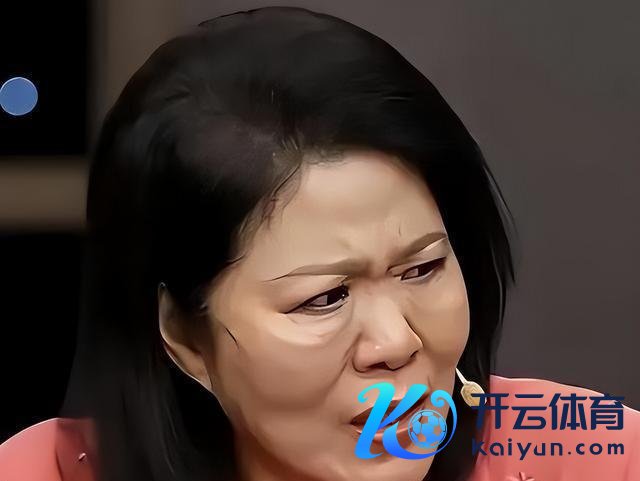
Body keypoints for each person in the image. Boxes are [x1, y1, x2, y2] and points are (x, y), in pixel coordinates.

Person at [1, 6, 638, 481]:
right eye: (325, 298)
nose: (396, 343)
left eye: (422, 268)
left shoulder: (588, 456)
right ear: (185, 336)